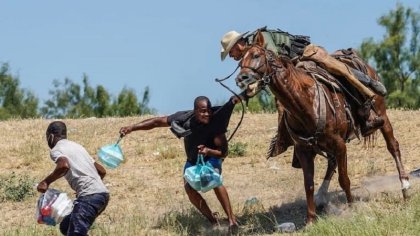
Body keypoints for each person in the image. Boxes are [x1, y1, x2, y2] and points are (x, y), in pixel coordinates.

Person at [220, 27, 386, 139]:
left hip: (305, 56)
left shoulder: (261, 39)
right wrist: (245, 90)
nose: (231, 56)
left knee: (336, 71)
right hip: (291, 69)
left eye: (230, 51)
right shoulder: (248, 56)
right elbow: (256, 78)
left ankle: (367, 90)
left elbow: (274, 64)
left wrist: (253, 86)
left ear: (238, 44)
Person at [119, 96, 240, 232]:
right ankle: (213, 221)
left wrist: (208, 151)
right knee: (189, 189)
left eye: (209, 111)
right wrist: (131, 128)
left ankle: (231, 221)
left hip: (212, 157)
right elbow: (157, 122)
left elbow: (223, 153)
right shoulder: (184, 118)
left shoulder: (215, 123)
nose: (207, 114)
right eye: (203, 111)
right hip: (192, 161)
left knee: (213, 179)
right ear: (195, 111)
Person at [37, 121, 109, 236]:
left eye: (47, 137)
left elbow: (63, 165)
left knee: (75, 233)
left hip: (89, 197)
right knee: (66, 226)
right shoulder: (78, 147)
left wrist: (46, 182)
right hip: (103, 195)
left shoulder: (57, 149)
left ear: (51, 136)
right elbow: (101, 171)